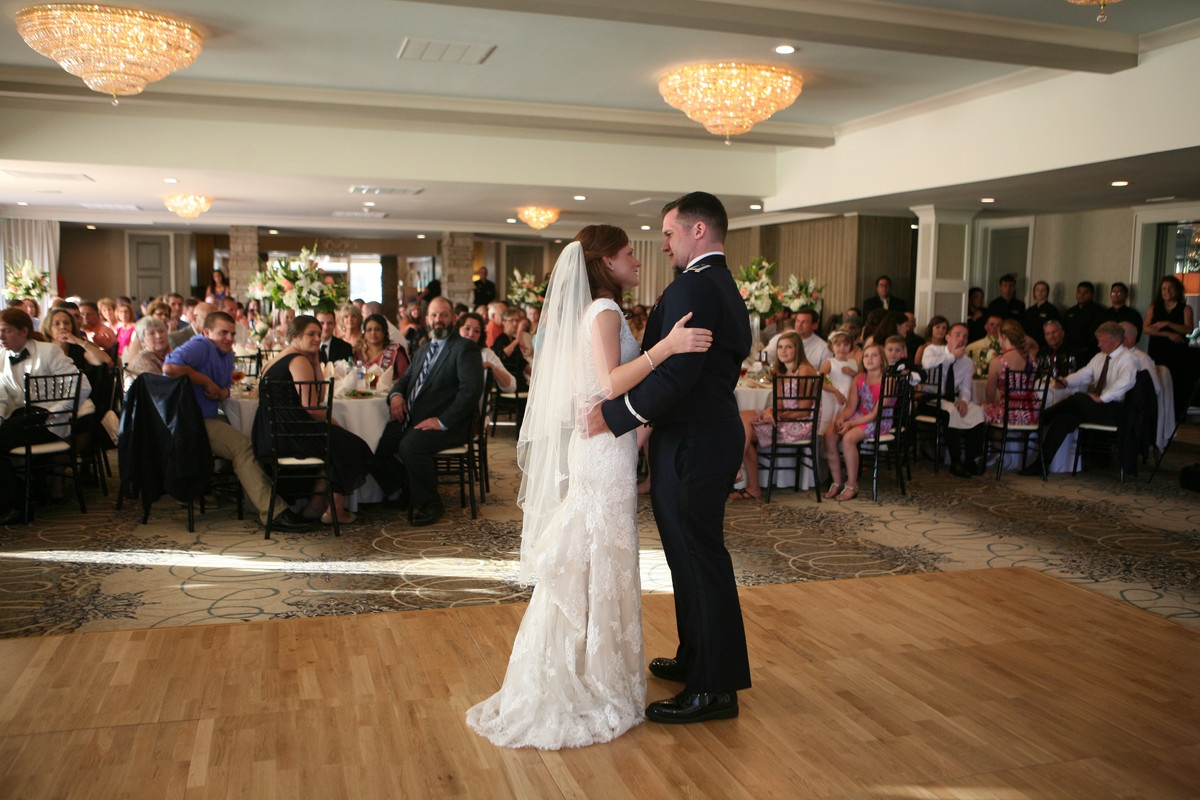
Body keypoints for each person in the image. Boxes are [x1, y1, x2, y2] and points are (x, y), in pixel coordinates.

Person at [466, 225, 711, 749]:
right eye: (628, 253)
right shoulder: (602, 311)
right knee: (600, 553)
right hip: (602, 455)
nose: (638, 260)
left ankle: (593, 665)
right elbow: (609, 382)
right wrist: (668, 347)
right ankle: (591, 675)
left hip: (607, 447)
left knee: (601, 555)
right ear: (605, 262)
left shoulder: (599, 310)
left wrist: (642, 420)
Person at [589, 191, 751, 725]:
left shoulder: (695, 285)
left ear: (697, 230)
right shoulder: (719, 282)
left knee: (698, 558)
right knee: (688, 556)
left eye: (668, 233)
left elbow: (679, 373)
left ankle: (714, 688)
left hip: (694, 438)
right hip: (702, 433)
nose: (662, 245)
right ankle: (695, 656)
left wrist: (617, 416)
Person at [163, 311, 313, 532]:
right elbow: (169, 368)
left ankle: (276, 501)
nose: (229, 338)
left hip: (207, 416)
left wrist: (220, 391)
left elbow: (225, 391)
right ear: (207, 332)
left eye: (232, 333)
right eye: (223, 332)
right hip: (189, 421)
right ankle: (274, 512)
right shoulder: (201, 345)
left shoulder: (225, 353)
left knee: (251, 439)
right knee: (243, 447)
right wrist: (205, 381)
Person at [369, 297, 483, 526]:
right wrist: (396, 395)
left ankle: (431, 501)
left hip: (449, 424)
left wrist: (442, 421)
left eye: (443, 315)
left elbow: (470, 391)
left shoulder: (464, 348)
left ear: (452, 318)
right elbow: (405, 380)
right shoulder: (423, 350)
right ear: (427, 319)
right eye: (433, 315)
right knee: (374, 447)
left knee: (410, 446)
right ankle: (406, 487)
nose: (438, 320)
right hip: (414, 419)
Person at [252, 316, 372, 525]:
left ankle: (315, 507)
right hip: (290, 433)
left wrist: (316, 363)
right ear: (295, 336)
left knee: (337, 446)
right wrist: (333, 422)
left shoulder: (278, 358)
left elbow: (319, 395)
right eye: (311, 334)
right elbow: (313, 408)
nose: (318, 338)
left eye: (319, 334)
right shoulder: (298, 361)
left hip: (270, 432)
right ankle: (335, 511)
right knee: (354, 446)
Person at [0, 308, 92, 524]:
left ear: (24, 331)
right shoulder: (2, 356)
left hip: (49, 421)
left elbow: (82, 386)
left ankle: (17, 504)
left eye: (6, 330)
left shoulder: (48, 351)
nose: (1, 336)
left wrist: (55, 411)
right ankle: (20, 498)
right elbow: (1, 396)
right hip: (21, 418)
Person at [1024, 321, 1137, 475]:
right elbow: (1084, 374)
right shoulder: (1100, 357)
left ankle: (1045, 415)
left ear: (1117, 341)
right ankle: (1041, 464)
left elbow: (1126, 382)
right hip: (1097, 408)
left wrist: (1103, 398)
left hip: (1115, 410)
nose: (1099, 345)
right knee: (1064, 418)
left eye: (1103, 341)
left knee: (1078, 397)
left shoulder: (1128, 358)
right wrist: (1067, 382)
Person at [732, 331, 817, 501]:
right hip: (784, 419)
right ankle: (750, 484)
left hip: (800, 424)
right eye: (780, 347)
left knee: (744, 428)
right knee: (743, 422)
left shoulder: (804, 370)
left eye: (788, 347)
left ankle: (736, 470)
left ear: (798, 349)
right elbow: (780, 407)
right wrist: (771, 412)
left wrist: (777, 415)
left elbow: (804, 410)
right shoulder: (780, 373)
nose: (783, 351)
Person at [823, 343, 893, 499]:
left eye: (874, 355)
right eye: (866, 356)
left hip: (879, 419)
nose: (869, 359)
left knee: (848, 438)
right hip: (860, 416)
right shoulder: (859, 378)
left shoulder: (888, 381)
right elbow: (851, 407)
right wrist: (842, 418)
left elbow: (874, 415)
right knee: (830, 434)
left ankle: (852, 484)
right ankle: (837, 481)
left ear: (882, 360)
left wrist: (850, 424)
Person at [921, 322, 987, 478]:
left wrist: (964, 400)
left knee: (977, 411)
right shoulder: (932, 350)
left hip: (951, 398)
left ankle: (971, 459)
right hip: (930, 398)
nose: (961, 339)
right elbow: (926, 364)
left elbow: (966, 388)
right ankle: (955, 461)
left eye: (965, 336)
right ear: (948, 337)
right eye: (958, 335)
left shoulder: (967, 362)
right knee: (951, 412)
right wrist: (951, 357)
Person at [1144, 274, 1195, 421]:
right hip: (1158, 349)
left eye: (1171, 288)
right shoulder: (1154, 307)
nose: (1167, 292)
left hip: (1177, 351)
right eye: (1164, 289)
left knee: (1176, 382)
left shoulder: (1185, 309)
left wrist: (1168, 324)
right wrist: (1167, 334)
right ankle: (1156, 415)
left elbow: (1189, 329)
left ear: (1177, 290)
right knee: (1157, 379)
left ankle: (1177, 416)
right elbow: (1146, 328)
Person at [982, 320, 1038, 427]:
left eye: (999, 336)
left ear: (1004, 336)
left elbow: (990, 396)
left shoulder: (998, 362)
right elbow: (1035, 345)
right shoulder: (1030, 357)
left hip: (1009, 413)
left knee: (979, 410)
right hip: (1032, 411)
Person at [457, 312, 516, 392]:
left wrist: (492, 367)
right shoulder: (449, 351)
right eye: (467, 329)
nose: (471, 334)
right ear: (458, 330)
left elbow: (511, 387)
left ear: (480, 335)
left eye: (476, 331)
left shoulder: (486, 353)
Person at [45, 307, 112, 374]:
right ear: (48, 328)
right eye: (57, 324)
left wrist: (79, 341)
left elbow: (106, 360)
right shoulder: (44, 348)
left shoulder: (77, 349)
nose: (62, 326)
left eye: (67, 323)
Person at [356, 313, 410, 383]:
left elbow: (405, 379)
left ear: (384, 332)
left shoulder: (395, 352)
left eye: (377, 329)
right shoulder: (358, 354)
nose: (373, 332)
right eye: (369, 330)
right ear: (364, 334)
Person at [1062, 281, 1104, 359]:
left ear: (1092, 295)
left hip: (1090, 352)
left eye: (1086, 292)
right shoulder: (1070, 312)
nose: (1081, 295)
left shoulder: (1098, 311)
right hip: (1071, 351)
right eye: (1079, 292)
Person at [124, 315, 171, 384]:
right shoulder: (142, 361)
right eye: (151, 333)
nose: (158, 336)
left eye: (161, 331)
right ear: (143, 341)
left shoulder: (165, 355)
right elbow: (165, 385)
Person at [492, 309, 531, 391]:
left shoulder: (513, 340)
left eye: (517, 320)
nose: (515, 324)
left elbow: (522, 362)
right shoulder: (500, 339)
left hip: (519, 381)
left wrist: (537, 377)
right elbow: (503, 355)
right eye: (511, 320)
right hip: (508, 383)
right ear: (503, 322)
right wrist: (517, 340)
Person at [1022, 281, 1058, 349]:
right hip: (1029, 345)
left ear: (1047, 292)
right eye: (1037, 290)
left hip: (1045, 346)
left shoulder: (1052, 310)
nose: (1040, 293)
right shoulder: (1029, 310)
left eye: (1043, 290)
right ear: (1034, 292)